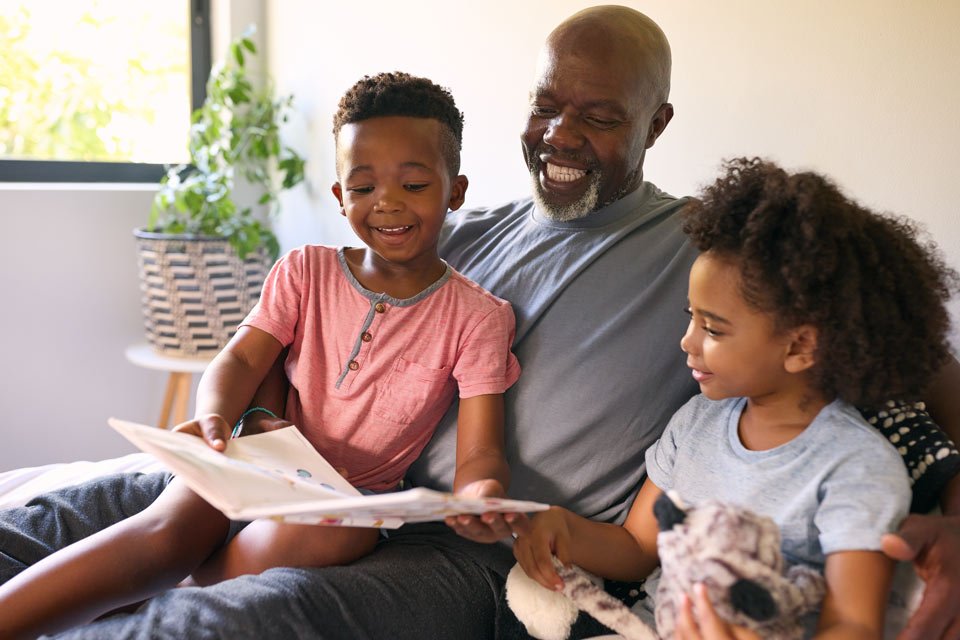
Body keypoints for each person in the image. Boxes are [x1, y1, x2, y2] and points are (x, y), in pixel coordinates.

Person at [0, 6, 958, 640]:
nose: (561, 134)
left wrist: (955, 510)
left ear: (656, 124)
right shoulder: (469, 230)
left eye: (600, 115)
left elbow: (901, 351)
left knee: (232, 621)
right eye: (546, 104)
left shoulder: (704, 251)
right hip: (331, 484)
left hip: (471, 553)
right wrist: (249, 417)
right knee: (51, 512)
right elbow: (326, 338)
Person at [0, 71, 521, 639]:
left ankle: (170, 600)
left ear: (456, 192)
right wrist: (218, 416)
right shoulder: (306, 271)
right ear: (340, 195)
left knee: (343, 532)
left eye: (415, 186)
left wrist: (481, 496)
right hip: (256, 455)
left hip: (346, 496)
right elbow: (242, 360)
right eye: (364, 186)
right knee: (165, 533)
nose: (387, 204)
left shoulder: (479, 317)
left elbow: (480, 451)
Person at [512, 157, 957, 639]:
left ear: (800, 346)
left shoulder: (857, 469)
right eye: (691, 317)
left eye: (713, 328)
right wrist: (565, 531)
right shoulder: (699, 419)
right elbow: (638, 546)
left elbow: (852, 625)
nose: (686, 341)